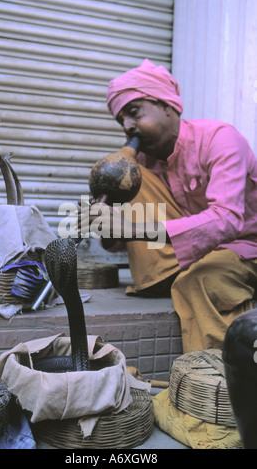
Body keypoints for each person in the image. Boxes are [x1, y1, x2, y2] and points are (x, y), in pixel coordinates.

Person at [79, 58, 257, 353]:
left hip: (245, 248)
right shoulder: (142, 164)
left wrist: (132, 227)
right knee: (127, 172)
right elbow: (115, 245)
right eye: (121, 119)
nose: (127, 126)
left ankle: (216, 378)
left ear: (167, 105)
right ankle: (164, 279)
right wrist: (105, 220)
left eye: (134, 113)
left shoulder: (220, 139)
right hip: (190, 255)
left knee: (199, 279)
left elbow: (226, 220)